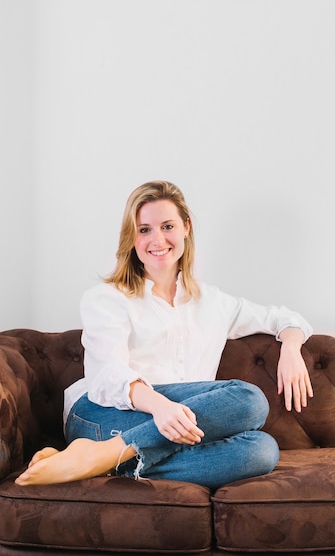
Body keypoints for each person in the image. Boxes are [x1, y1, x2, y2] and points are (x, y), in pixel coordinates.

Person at [15, 180, 313, 488]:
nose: (157, 239)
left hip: (179, 425)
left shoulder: (212, 303)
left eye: (167, 226)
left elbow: (283, 318)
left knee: (262, 451)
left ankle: (103, 461)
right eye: (144, 229)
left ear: (186, 227)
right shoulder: (105, 298)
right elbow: (107, 372)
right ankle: (106, 452)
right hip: (103, 414)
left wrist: (291, 348)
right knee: (251, 401)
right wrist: (160, 407)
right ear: (131, 237)